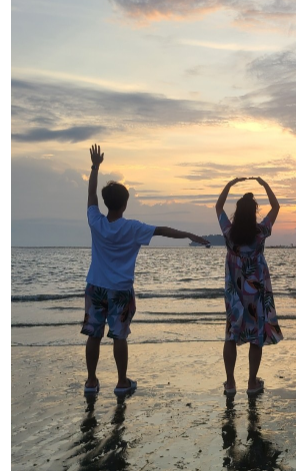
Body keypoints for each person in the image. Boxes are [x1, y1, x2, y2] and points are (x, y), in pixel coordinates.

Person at [82, 145, 210, 396]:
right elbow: (163, 230)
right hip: (120, 289)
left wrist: (95, 167)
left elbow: (90, 196)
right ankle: (121, 382)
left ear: (107, 203)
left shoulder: (96, 222)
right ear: (125, 204)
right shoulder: (132, 228)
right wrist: (189, 235)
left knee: (93, 334)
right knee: (119, 336)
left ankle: (90, 381)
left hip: (95, 286)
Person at [216, 176, 283, 396]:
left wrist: (230, 185)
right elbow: (276, 207)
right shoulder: (260, 233)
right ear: (254, 213)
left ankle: (230, 383)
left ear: (237, 213)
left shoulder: (229, 233)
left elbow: (218, 206)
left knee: (231, 335)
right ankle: (252, 383)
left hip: (234, 294)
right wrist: (265, 185)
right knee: (255, 336)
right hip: (255, 293)